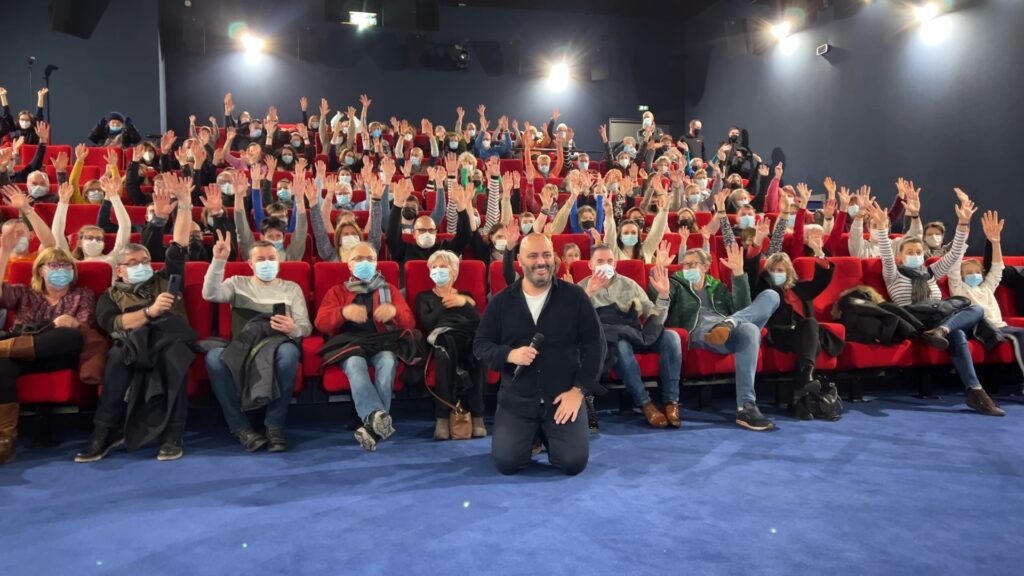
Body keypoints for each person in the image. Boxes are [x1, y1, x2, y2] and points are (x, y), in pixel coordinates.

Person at [75, 175, 196, 463]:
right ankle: (101, 436)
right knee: (117, 358)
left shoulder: (164, 280)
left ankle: (172, 436)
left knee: (175, 357)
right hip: (131, 344)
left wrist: (187, 205)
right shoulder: (110, 295)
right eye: (132, 264)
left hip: (168, 340)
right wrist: (148, 312)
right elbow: (112, 324)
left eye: (144, 262)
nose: (141, 266)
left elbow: (178, 247)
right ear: (119, 271)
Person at [474, 233, 605, 476]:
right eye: (532, 256)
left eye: (546, 255)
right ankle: (532, 434)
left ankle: (548, 435)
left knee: (573, 463)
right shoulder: (501, 302)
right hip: (518, 400)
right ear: (520, 261)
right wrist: (509, 354)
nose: (541, 262)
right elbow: (481, 344)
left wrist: (579, 391)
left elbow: (595, 346)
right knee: (507, 463)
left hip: (562, 398)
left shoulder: (575, 296)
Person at [865, 193, 1005, 416]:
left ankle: (975, 391)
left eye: (919, 252)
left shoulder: (931, 272)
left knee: (969, 318)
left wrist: (963, 223)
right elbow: (886, 255)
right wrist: (882, 230)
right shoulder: (894, 274)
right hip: (912, 318)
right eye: (910, 252)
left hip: (938, 320)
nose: (916, 255)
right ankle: (943, 331)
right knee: (966, 312)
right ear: (900, 256)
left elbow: (954, 255)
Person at [203, 233, 312, 453]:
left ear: (279, 261)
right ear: (250, 264)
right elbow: (210, 294)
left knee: (289, 354)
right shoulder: (237, 283)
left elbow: (306, 327)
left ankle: (274, 426)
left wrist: (293, 328)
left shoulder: (291, 288)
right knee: (213, 358)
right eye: (260, 259)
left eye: (271, 258)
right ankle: (241, 428)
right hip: (243, 344)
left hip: (278, 343)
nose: (267, 263)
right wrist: (219, 261)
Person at [660, 243, 781, 431]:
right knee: (749, 328)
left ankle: (745, 408)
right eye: (686, 265)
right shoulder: (676, 284)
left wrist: (739, 274)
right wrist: (660, 272)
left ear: (705, 266)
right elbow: (657, 304)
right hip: (701, 332)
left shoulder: (718, 287)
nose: (688, 268)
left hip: (725, 328)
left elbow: (744, 308)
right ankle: (747, 405)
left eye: (693, 264)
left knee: (771, 297)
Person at [314, 242, 419, 452]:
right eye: (359, 259)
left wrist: (394, 312)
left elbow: (409, 324)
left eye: (370, 259)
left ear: (377, 263)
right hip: (351, 342)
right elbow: (321, 323)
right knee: (354, 364)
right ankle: (375, 417)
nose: (365, 263)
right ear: (350, 266)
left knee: (388, 361)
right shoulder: (337, 291)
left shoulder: (389, 289)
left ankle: (371, 427)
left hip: (383, 340)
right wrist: (343, 313)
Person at [0, 247, 96, 464]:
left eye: (66, 266)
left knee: (68, 336)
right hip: (21, 357)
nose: (61, 270)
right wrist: (4, 253)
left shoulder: (82, 294)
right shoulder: (25, 293)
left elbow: (83, 326)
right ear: (41, 271)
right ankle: (5, 442)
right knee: (2, 367)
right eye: (54, 265)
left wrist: (64, 325)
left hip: (58, 355)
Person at [580, 244, 681, 428]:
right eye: (600, 261)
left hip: (636, 333)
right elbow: (573, 321)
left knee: (672, 337)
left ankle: (671, 402)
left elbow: (654, 315)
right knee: (621, 344)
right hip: (609, 339)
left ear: (615, 263)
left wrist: (664, 295)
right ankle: (645, 403)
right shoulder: (582, 287)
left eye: (609, 261)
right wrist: (589, 293)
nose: (606, 265)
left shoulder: (630, 284)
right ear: (590, 264)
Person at [754, 252, 845, 410]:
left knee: (809, 325)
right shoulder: (766, 289)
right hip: (781, 334)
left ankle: (803, 391)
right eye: (773, 270)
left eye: (780, 270)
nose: (777, 273)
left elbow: (822, 280)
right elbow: (755, 282)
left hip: (805, 333)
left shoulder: (801, 289)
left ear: (788, 272)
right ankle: (805, 383)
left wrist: (820, 254)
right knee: (811, 335)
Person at [415, 251, 487, 440]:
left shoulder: (465, 296)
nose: (438, 271)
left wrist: (463, 302)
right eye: (434, 268)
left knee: (478, 354)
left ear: (454, 273)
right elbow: (428, 322)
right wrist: (446, 301)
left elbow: (477, 322)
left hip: (467, 335)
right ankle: (442, 418)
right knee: (443, 354)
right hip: (442, 337)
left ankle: (478, 416)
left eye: (443, 267)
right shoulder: (424, 297)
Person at [954, 211, 1024, 385]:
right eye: (969, 273)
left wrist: (996, 242)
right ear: (961, 276)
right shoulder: (958, 287)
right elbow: (953, 266)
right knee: (1021, 335)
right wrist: (962, 232)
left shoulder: (986, 287)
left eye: (977, 272)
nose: (974, 275)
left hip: (1001, 326)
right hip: (982, 327)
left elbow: (997, 268)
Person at [0, 185, 58, 277]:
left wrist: (26, 208)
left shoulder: (38, 258)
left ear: (31, 236)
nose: (16, 237)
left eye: (20, 233)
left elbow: (50, 244)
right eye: (10, 234)